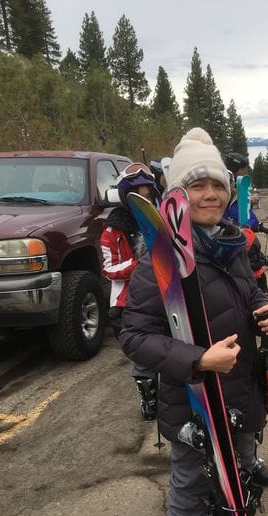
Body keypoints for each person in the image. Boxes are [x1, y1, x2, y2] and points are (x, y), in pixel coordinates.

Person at [119, 128, 268, 516]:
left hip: (240, 392)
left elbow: (252, 295)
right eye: (197, 185)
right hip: (193, 399)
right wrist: (197, 361)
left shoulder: (230, 246)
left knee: (239, 470)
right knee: (191, 487)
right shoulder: (159, 260)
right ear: (177, 195)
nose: (210, 194)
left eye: (217, 185)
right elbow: (134, 337)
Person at [100, 163, 159, 421]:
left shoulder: (161, 218)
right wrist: (140, 264)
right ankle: (149, 397)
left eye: (147, 195)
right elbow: (109, 269)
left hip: (166, 294)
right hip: (131, 299)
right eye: (137, 196)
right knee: (144, 353)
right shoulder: (113, 230)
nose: (143, 200)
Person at [223, 152, 268, 232]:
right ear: (234, 170)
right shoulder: (228, 190)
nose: (243, 172)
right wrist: (250, 201)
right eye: (241, 169)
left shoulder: (232, 187)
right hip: (236, 234)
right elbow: (239, 215)